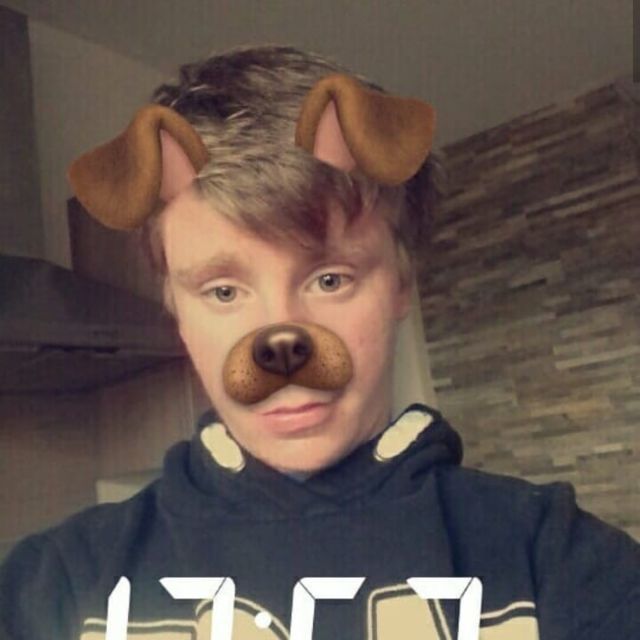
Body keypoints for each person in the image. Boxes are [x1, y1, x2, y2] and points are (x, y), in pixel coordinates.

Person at [0, 44, 638, 640]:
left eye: (330, 279)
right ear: (178, 314)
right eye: (223, 291)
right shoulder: (48, 587)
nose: (279, 337)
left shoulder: (557, 560)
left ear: (401, 285)